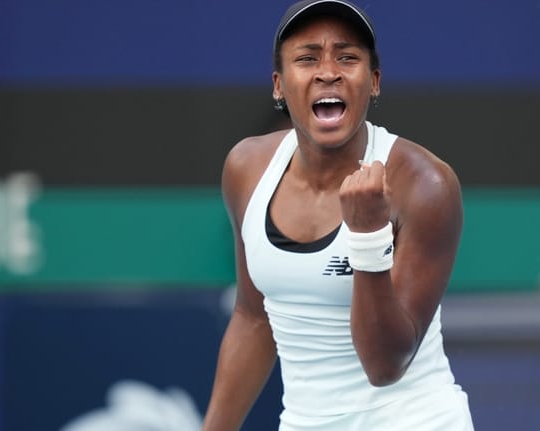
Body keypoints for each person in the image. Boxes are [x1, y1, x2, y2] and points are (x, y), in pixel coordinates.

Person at [201, 1, 474, 430]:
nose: (328, 71)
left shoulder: (426, 184)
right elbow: (254, 317)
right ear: (278, 85)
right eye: (307, 58)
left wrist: (367, 237)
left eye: (347, 57)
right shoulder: (245, 168)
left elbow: (386, 366)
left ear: (374, 82)